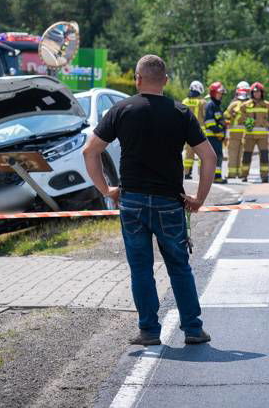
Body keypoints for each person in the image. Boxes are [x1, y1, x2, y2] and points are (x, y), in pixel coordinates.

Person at [83, 55, 214, 346]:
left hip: (132, 202)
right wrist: (199, 199)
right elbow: (209, 157)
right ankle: (193, 329)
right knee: (179, 266)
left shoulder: (121, 109)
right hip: (169, 202)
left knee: (141, 268)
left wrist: (108, 190)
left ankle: (149, 331)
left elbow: (89, 151)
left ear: (137, 79)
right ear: (165, 81)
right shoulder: (181, 113)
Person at [239, 82, 269, 183]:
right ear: (252, 93)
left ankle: (265, 176)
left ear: (262, 93)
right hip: (249, 135)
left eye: (259, 92)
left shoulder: (267, 105)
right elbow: (240, 116)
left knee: (264, 156)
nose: (257, 94)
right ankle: (244, 175)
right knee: (246, 155)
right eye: (255, 92)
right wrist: (248, 122)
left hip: (262, 136)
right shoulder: (245, 105)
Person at [224, 81, 249, 180]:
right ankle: (241, 173)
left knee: (233, 154)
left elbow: (226, 115)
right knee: (242, 154)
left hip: (234, 134)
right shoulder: (250, 104)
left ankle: (232, 174)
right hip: (245, 134)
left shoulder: (233, 104)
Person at [181, 81, 205, 179]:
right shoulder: (202, 102)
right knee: (201, 154)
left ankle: (187, 173)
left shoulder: (184, 101)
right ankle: (201, 173)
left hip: (186, 131)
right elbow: (205, 116)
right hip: (199, 131)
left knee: (188, 153)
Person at [205, 81, 228, 184]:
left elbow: (219, 121)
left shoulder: (217, 106)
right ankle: (215, 177)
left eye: (222, 94)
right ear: (214, 93)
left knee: (218, 156)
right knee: (215, 157)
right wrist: (219, 131)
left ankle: (216, 176)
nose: (221, 95)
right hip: (212, 137)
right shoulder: (211, 105)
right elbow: (209, 122)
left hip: (217, 137)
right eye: (219, 93)